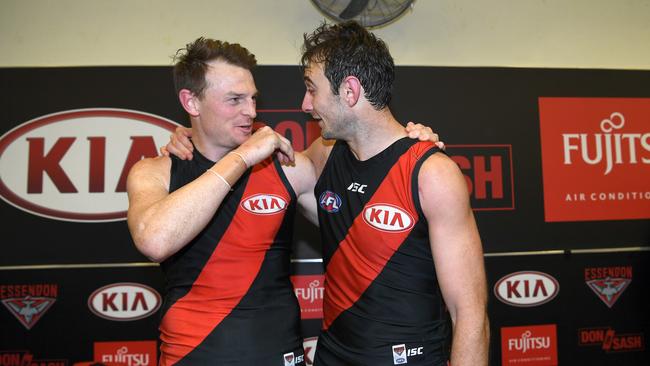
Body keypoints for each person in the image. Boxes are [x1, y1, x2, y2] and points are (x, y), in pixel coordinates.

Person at [166, 21, 489, 366]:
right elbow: (256, 170)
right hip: (331, 358)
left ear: (349, 91)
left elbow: (470, 314)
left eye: (312, 89)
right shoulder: (325, 153)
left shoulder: (431, 173)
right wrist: (193, 134)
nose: (305, 104)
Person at [126, 38, 315, 365]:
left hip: (279, 356)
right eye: (234, 99)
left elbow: (362, 185)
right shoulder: (155, 172)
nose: (251, 111)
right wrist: (244, 156)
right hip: (192, 355)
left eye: (253, 98)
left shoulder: (287, 167)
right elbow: (154, 240)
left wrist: (410, 137)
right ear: (191, 102)